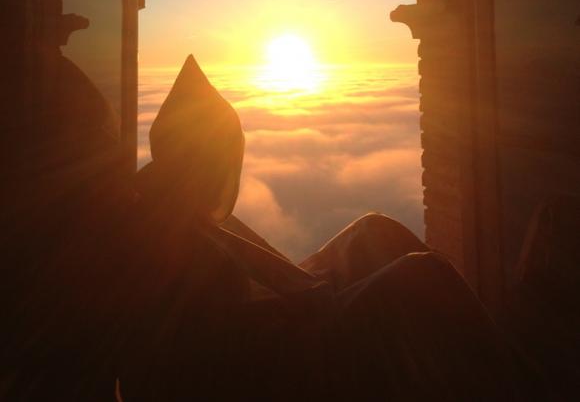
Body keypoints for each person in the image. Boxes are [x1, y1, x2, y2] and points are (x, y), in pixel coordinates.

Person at [117, 56, 538, 401]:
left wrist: (313, 284)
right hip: (282, 367)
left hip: (274, 326)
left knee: (373, 230)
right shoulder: (169, 239)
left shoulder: (167, 200)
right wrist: (321, 298)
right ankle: (511, 388)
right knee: (426, 273)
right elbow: (229, 353)